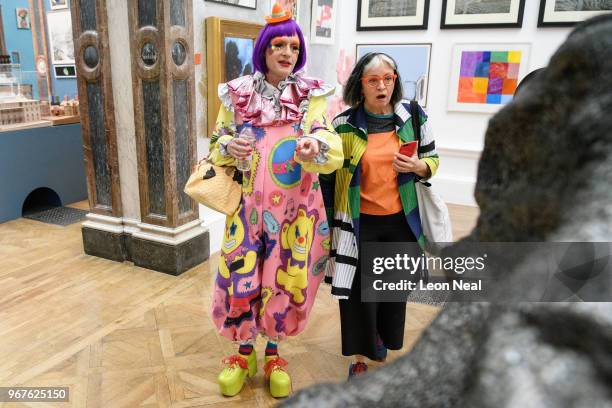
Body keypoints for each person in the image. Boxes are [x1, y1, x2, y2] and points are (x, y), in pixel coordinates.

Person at [208, 3, 343, 398]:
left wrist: (313, 143)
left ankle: (273, 353)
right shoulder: (237, 95)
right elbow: (216, 143)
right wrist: (229, 145)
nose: (288, 53)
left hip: (295, 209)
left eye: (294, 47)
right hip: (246, 208)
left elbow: (331, 146)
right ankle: (243, 351)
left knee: (287, 275)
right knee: (241, 274)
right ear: (264, 50)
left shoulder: (311, 96)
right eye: (279, 45)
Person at [320, 52, 440, 378]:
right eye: (374, 80)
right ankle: (360, 360)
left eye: (388, 79)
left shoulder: (414, 116)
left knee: (390, 296)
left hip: (400, 222)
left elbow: (433, 159)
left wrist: (419, 166)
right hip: (359, 225)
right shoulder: (343, 126)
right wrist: (330, 227)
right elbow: (327, 180)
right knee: (359, 299)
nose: (382, 86)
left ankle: (381, 354)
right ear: (361, 83)